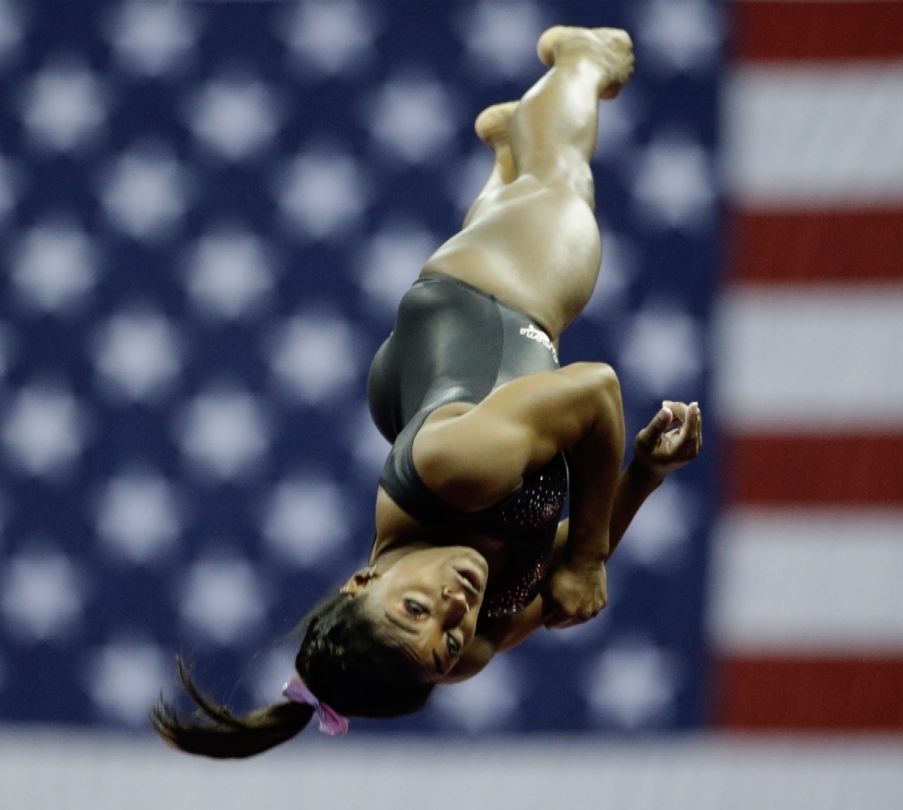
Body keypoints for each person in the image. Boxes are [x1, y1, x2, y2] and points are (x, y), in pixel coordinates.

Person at [151, 26, 703, 759]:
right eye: (443, 643)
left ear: (360, 580)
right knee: (524, 204)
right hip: (424, 380)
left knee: (560, 186)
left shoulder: (459, 468)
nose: (453, 612)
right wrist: (643, 477)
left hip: (483, 305)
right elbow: (557, 569)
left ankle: (575, 61)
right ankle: (505, 150)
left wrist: (593, 555)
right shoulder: (474, 648)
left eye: (414, 608)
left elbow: (597, 394)